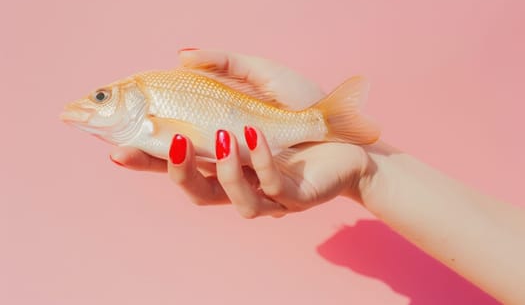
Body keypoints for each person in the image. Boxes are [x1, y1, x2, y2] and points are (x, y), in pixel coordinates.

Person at [109, 49, 525, 304]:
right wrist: (365, 170)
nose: (94, 104)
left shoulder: (153, 98)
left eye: (102, 97)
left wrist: (360, 162)